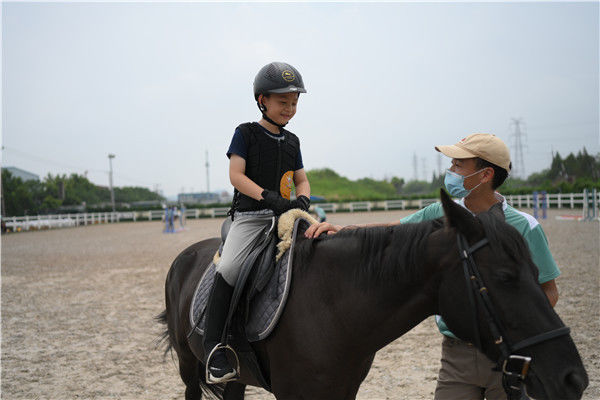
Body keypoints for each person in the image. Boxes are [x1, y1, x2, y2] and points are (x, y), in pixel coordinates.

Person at [304, 133, 560, 400]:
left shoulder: (526, 228)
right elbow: (392, 231)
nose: (450, 171)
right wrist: (343, 230)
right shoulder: (440, 213)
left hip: (509, 355)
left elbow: (550, 292)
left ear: (485, 175)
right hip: (456, 355)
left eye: (459, 166)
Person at [203, 62, 311, 383]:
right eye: (283, 103)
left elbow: (302, 180)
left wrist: (302, 198)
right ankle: (214, 349)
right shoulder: (246, 133)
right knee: (231, 267)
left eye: (294, 103)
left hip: (286, 215)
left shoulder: (293, 142)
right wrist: (266, 196)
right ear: (262, 99)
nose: (289, 109)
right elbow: (236, 176)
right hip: (251, 217)